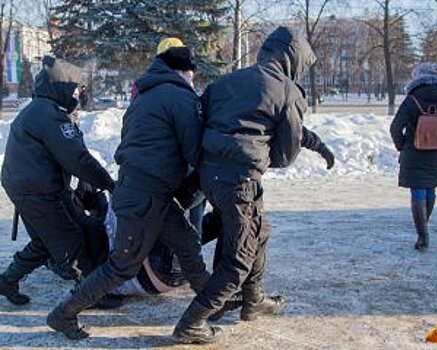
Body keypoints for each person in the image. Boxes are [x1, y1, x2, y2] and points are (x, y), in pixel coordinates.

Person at [173, 26, 334, 344]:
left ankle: (253, 300)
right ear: (293, 59)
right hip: (240, 181)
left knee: (259, 230)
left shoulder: (225, 82)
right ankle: (193, 320)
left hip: (211, 177)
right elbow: (285, 154)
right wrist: (259, 154)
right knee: (240, 255)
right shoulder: (288, 91)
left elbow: (203, 123)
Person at [47, 44, 210, 340]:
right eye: (191, 74)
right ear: (185, 71)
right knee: (122, 266)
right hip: (145, 197)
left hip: (148, 192)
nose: (192, 80)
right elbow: (194, 151)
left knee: (187, 245)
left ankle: (212, 303)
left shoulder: (144, 97)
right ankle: (64, 313)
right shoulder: (180, 97)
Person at [0, 56, 116, 306]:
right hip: (37, 191)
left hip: (32, 186)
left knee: (45, 241)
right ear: (62, 88)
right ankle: (89, 294)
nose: (78, 94)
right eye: (75, 89)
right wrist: (107, 183)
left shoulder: (44, 110)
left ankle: (7, 281)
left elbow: (72, 153)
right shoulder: (48, 115)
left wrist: (87, 183)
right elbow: (77, 158)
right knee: (69, 239)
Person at [390, 62, 437, 250]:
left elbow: (395, 128)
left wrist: (403, 146)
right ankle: (424, 227)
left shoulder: (411, 100)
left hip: (413, 153)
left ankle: (422, 235)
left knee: (418, 191)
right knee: (430, 189)